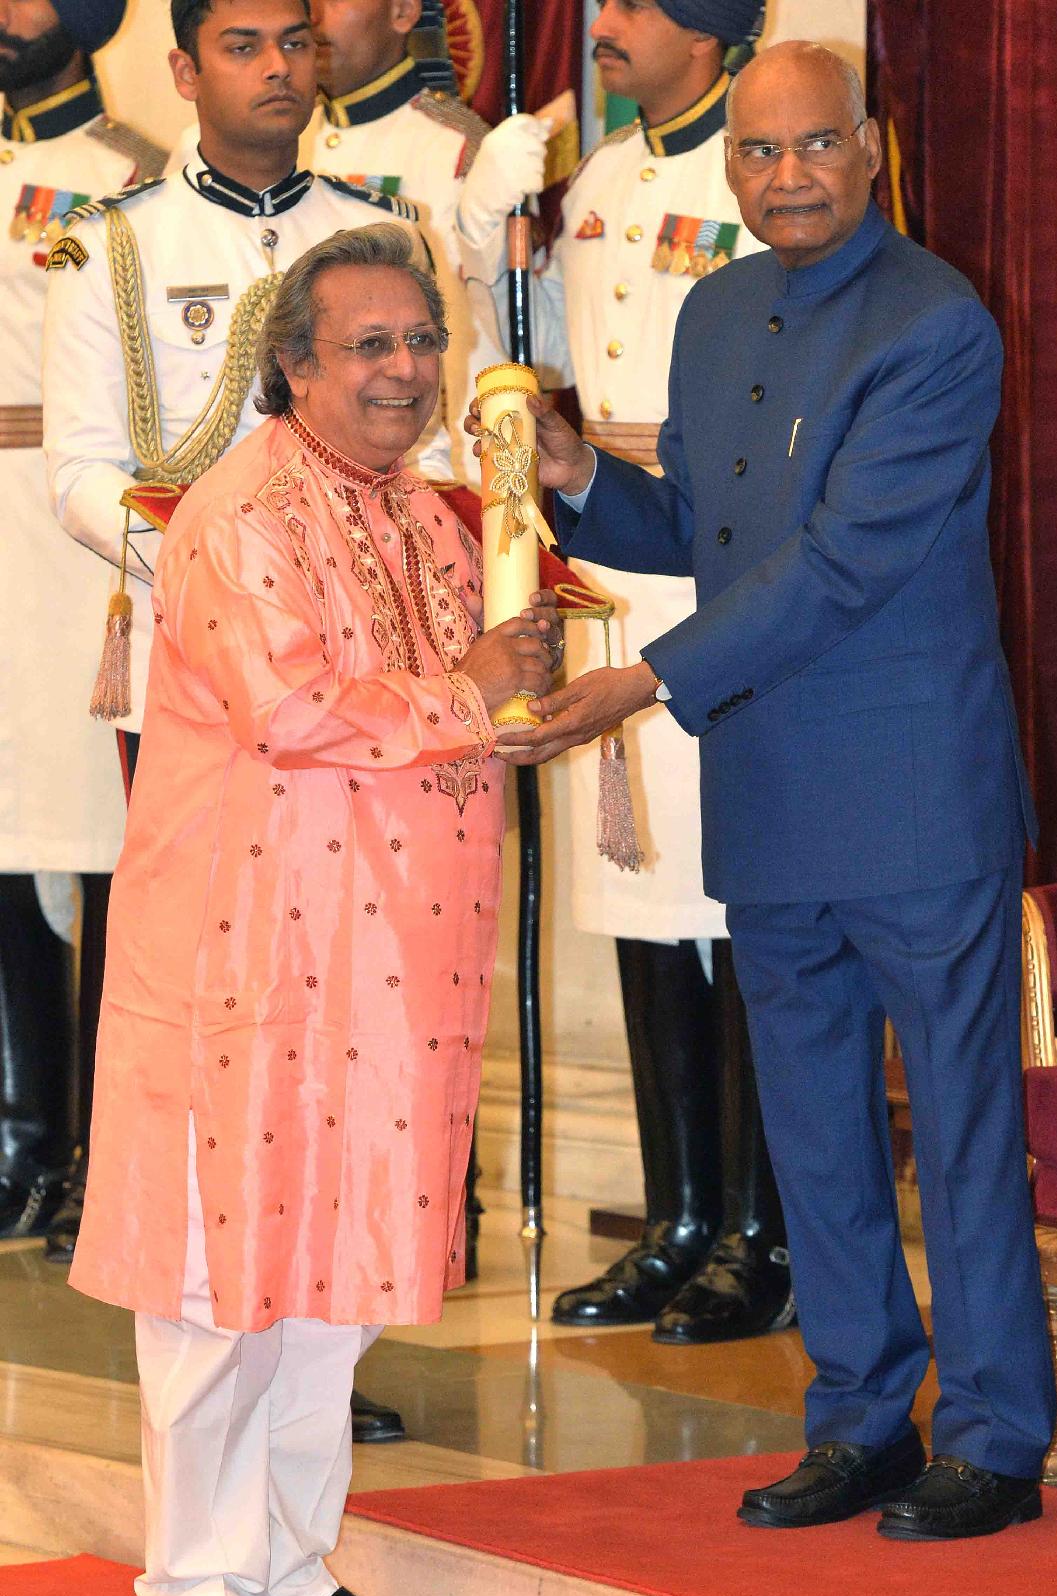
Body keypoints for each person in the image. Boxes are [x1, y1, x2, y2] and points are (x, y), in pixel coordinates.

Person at [493, 41, 1057, 1540]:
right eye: (757, 152)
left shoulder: (934, 323)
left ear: (869, 145)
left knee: (959, 1129)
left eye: (814, 145)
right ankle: (859, 1418)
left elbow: (841, 563)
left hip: (911, 794)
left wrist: (640, 680)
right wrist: (574, 477)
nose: (786, 176)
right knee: (809, 1129)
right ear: (729, 165)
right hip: (767, 786)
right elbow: (705, 526)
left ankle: (994, 1436)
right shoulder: (717, 308)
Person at [68, 221, 560, 1596]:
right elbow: (288, 710)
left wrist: (540, 693)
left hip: (388, 966)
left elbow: (468, 702)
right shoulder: (242, 513)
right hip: (248, 959)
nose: (406, 368)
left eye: (422, 340)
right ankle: (193, 1584)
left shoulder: (426, 514)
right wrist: (472, 685)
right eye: (370, 345)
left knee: (329, 1287)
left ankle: (287, 1572)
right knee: (218, 1284)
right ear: (293, 367)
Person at [41, 0, 440, 1442]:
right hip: (207, 677)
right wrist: (226, 566)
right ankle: (222, 1297)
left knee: (356, 1003)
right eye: (245, 44)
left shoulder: (379, 232)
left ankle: (327, 1313)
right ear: (184, 67)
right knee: (227, 1004)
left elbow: (425, 447)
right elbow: (80, 469)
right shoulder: (114, 242)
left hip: (371, 689)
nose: (279, 69)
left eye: (296, 43)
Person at [456, 0, 792, 1344]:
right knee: (643, 908)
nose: (607, 22)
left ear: (708, 30)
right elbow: (536, 362)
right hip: (607, 554)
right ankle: (680, 1218)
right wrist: (496, 239)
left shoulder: (754, 165)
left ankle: (762, 1231)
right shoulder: (597, 175)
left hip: (721, 561)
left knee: (737, 912)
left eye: (641, 5)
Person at [0, 0, 164, 1244]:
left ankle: (111, 1147)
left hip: (82, 544)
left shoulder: (135, 176)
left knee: (115, 844)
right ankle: (24, 1136)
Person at [309, 0, 499, 481]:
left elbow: (488, 329)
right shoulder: (285, 139)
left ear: (402, 12)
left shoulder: (458, 146)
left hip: (431, 465)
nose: (314, 15)